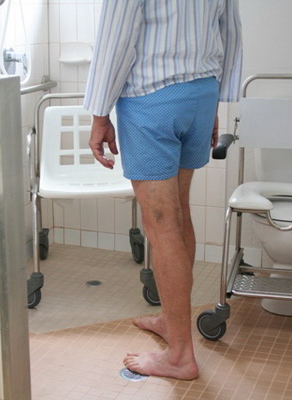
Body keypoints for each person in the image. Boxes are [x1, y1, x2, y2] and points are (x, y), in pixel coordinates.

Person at [83, 0, 242, 380]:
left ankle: (180, 356)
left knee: (161, 224)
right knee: (179, 214)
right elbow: (229, 28)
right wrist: (215, 100)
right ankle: (173, 324)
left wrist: (100, 113)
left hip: (152, 97)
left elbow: (116, 37)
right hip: (201, 92)